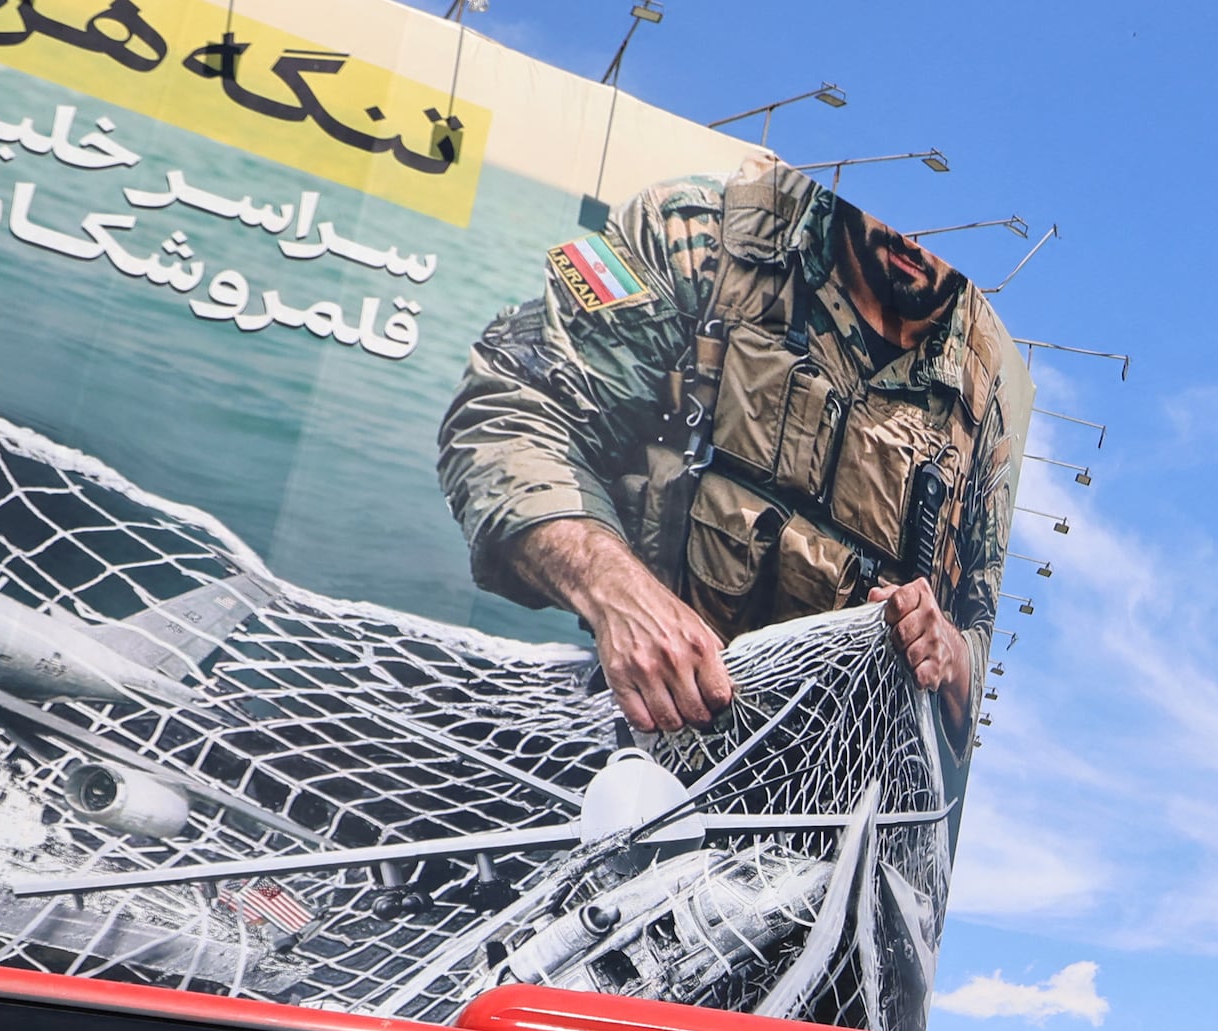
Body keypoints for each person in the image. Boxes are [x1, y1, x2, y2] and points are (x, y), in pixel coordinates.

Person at [436, 165, 1022, 735]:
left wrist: (950, 657)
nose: (918, 240)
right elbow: (509, 410)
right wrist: (614, 590)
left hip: (840, 799)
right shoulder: (700, 237)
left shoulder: (982, 402)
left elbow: (983, 633)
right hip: (646, 735)